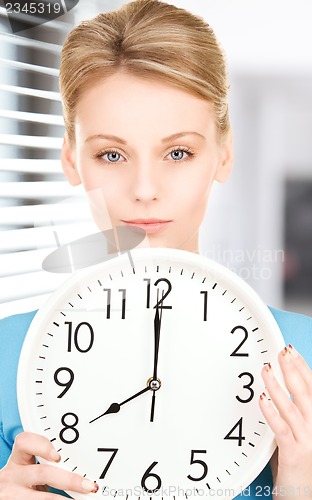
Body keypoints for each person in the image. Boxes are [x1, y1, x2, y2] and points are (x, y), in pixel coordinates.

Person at [1, 0, 312, 498]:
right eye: (112, 154)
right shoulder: (7, 356)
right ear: (71, 159)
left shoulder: (304, 357)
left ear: (224, 154)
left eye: (178, 152)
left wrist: (299, 483)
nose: (145, 188)